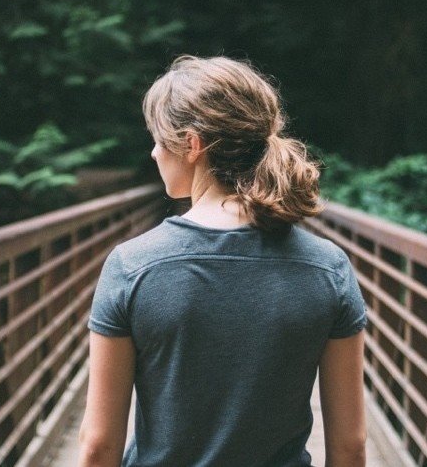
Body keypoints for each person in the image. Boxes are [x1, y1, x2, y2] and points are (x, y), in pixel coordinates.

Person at [78, 54, 369, 467]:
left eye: (159, 140)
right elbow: (350, 448)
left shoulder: (133, 267)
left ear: (192, 144)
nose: (154, 154)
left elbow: (98, 446)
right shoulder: (328, 269)